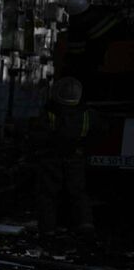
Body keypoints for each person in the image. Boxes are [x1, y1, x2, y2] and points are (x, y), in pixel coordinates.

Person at [31, 76, 94, 238]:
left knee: (48, 194)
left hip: (51, 159)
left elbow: (38, 135)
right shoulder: (86, 114)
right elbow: (98, 132)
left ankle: (48, 229)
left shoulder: (51, 113)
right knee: (78, 192)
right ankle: (84, 223)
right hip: (76, 158)